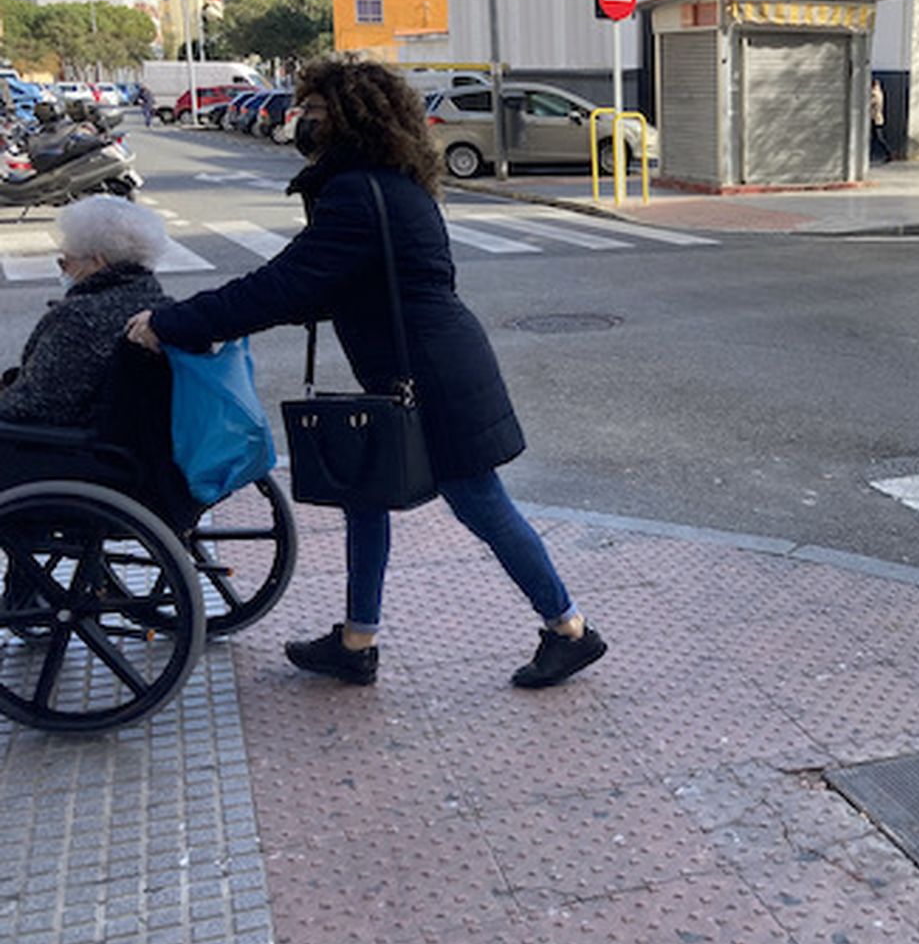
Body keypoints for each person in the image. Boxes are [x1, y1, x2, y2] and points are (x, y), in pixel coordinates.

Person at [125, 57, 606, 691]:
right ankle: (357, 640)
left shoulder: (359, 193)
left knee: (480, 503)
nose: (302, 122)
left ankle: (568, 630)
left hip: (432, 375)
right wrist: (226, 317)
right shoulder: (389, 184)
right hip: (425, 362)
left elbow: (285, 283)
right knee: (364, 493)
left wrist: (174, 322)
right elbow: (338, 286)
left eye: (315, 113)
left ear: (349, 119)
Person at [0, 195, 171, 426]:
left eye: (65, 262)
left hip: (67, 448)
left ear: (97, 262)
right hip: (133, 440)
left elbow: (34, 407)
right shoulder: (163, 307)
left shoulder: (80, 318)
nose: (63, 270)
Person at [869, 78, 891, 163]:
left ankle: (889, 153)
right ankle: (870, 155)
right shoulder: (879, 93)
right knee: (874, 139)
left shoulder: (874, 94)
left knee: (879, 137)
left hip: (875, 119)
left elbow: (870, 103)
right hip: (877, 118)